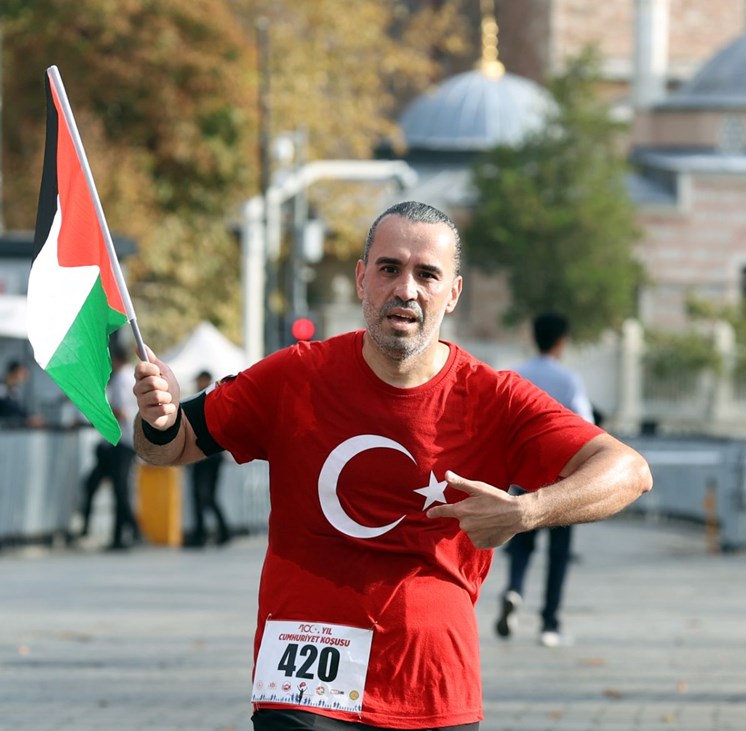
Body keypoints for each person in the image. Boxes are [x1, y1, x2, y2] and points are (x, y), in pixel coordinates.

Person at [131, 200, 653, 731]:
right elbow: (172, 446)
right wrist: (158, 418)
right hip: (302, 688)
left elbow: (630, 471)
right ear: (362, 279)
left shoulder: (494, 398)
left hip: (432, 690)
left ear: (453, 293)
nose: (406, 289)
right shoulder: (295, 375)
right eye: (389, 268)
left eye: (427, 274)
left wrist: (526, 512)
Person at [494, 312, 595, 649]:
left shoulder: (517, 375)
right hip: (562, 481)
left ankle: (514, 589)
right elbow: (585, 425)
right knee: (558, 554)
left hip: (525, 476)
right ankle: (549, 624)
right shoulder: (568, 380)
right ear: (561, 342)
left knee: (521, 544)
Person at [79, 344, 142, 550]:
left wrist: (98, 415)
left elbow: (120, 412)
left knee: (119, 490)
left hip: (121, 443)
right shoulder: (129, 378)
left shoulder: (121, 380)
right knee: (112, 488)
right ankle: (122, 534)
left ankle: (129, 531)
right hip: (121, 442)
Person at [186, 370, 231, 548]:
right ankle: (208, 533)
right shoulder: (205, 399)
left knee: (205, 496)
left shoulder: (211, 399)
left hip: (208, 455)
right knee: (202, 497)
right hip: (204, 455)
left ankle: (210, 533)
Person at [0, 360, 44, 427]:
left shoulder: (14, 390)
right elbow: (6, 407)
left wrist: (29, 416)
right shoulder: (2, 387)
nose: (24, 377)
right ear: (15, 372)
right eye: (22, 373)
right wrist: (27, 417)